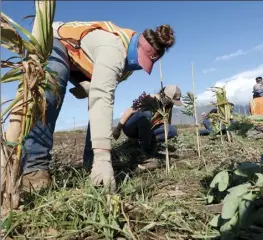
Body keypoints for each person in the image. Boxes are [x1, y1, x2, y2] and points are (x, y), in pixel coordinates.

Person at [20, 21, 176, 192]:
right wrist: (104, 158)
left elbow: (101, 98)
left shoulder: (126, 67)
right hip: (56, 41)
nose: (140, 66)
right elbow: (102, 97)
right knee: (51, 87)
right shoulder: (114, 48)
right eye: (141, 60)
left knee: (99, 109)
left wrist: (87, 86)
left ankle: (91, 159)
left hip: (79, 59)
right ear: (137, 44)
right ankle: (34, 166)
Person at [111, 85, 182, 154]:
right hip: (131, 128)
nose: (172, 103)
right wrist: (118, 128)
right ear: (165, 96)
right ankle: (146, 149)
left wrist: (165, 130)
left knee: (172, 130)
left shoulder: (168, 105)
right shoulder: (149, 98)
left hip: (147, 130)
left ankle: (146, 142)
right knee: (146, 114)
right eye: (171, 101)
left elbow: (167, 122)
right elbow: (130, 110)